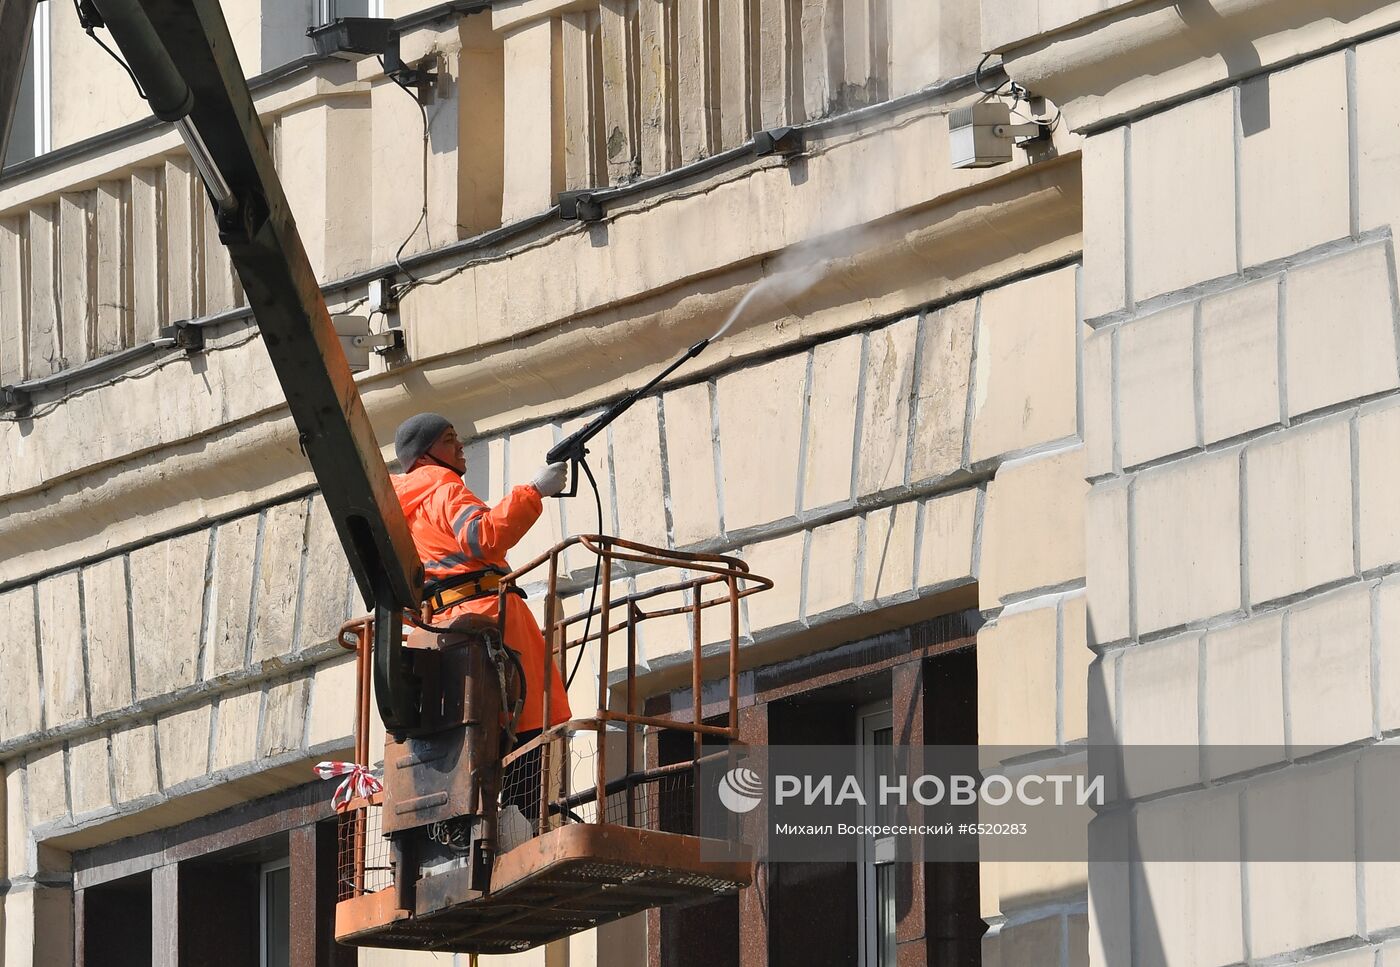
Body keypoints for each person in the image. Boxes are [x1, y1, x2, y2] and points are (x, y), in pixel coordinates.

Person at [390, 412, 572, 827]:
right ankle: (527, 819)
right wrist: (533, 492)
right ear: (425, 454)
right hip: (489, 619)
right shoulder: (444, 488)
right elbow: (483, 538)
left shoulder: (402, 507)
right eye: (450, 439)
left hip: (441, 633)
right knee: (528, 721)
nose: (460, 447)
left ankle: (477, 822)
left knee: (475, 731)